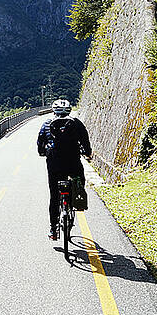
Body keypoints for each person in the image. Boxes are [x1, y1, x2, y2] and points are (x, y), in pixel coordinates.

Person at [37, 99, 91, 240]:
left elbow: (40, 144)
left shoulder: (47, 124)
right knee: (79, 179)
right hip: (73, 163)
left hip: (54, 165)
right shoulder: (76, 123)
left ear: (53, 111)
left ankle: (53, 230)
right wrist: (87, 153)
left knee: (54, 196)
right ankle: (76, 200)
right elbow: (85, 141)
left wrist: (43, 152)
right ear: (69, 111)